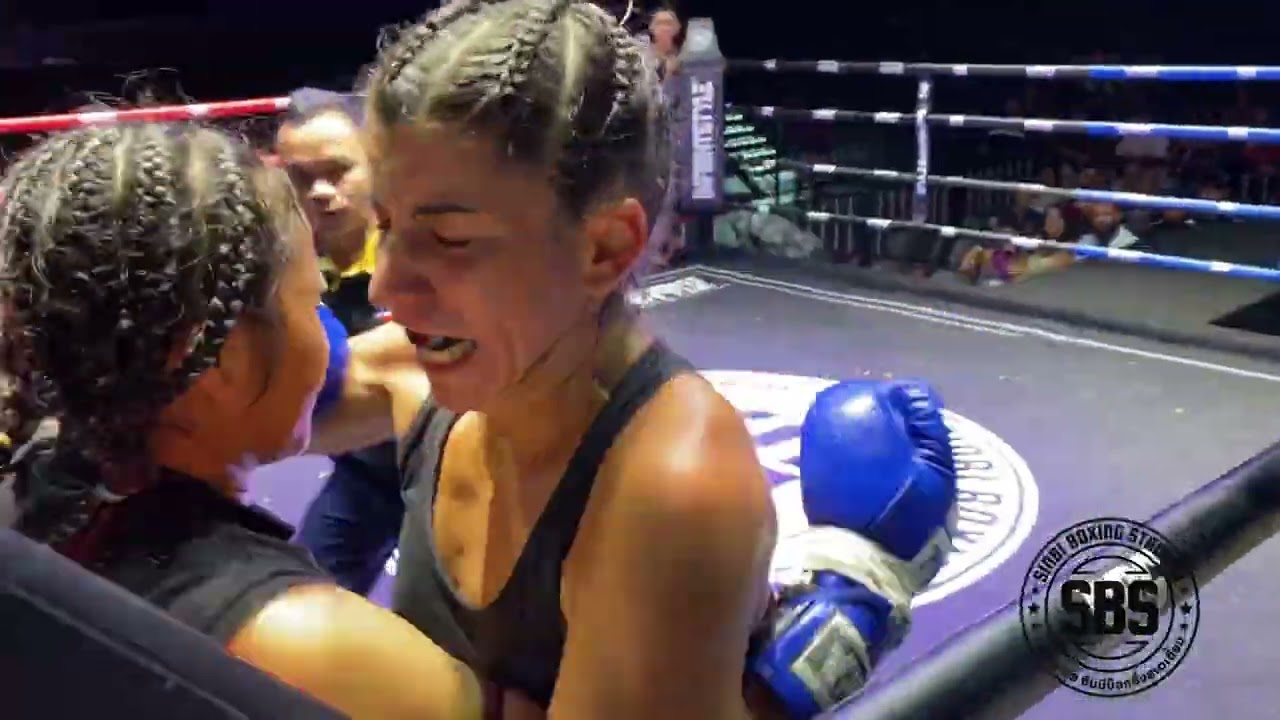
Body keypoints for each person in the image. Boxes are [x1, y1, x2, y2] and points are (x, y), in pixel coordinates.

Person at [312, 1, 959, 718]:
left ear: (604, 248)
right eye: (386, 226)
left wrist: (339, 662)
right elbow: (236, 394)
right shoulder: (411, 370)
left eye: (451, 239)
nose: (386, 287)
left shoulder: (670, 483)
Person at [0, 122, 480, 719]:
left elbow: (377, 373)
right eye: (313, 303)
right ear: (217, 360)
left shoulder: (37, 487)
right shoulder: (314, 647)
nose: (328, 336)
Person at [275, 87, 404, 595]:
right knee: (302, 596)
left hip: (444, 465)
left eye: (337, 171)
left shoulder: (425, 250)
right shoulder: (285, 266)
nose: (320, 192)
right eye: (301, 178)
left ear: (377, 163)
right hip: (363, 471)